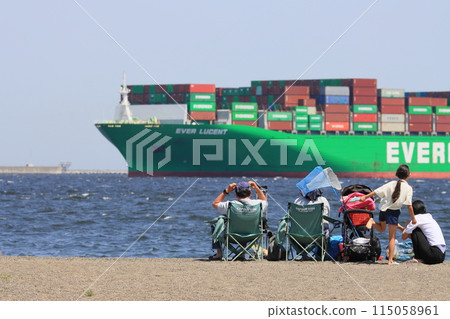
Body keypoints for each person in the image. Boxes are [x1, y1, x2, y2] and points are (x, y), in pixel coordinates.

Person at [359, 164, 416, 265]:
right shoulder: (408, 188)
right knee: (392, 237)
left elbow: (376, 192)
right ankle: (390, 260)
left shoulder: (391, 184)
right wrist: (413, 218)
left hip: (383, 210)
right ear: (408, 175)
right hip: (393, 212)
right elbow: (409, 206)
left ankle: (372, 221)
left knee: (381, 229)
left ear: (397, 174)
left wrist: (365, 197)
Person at [209, 181, 268, 260]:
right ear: (250, 193)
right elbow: (265, 201)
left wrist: (226, 191)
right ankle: (241, 254)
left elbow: (215, 203)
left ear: (236, 195)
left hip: (231, 236)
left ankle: (219, 254)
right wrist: (257, 188)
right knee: (245, 225)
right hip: (252, 236)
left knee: (214, 224)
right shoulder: (258, 204)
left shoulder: (230, 204)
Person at [401, 200, 446, 264]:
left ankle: (418, 258)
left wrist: (407, 225)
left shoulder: (416, 219)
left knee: (415, 230)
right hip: (442, 255)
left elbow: (404, 237)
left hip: (434, 254)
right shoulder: (429, 217)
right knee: (415, 230)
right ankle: (420, 257)